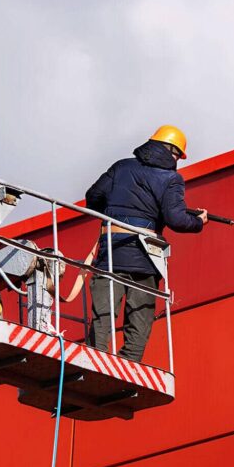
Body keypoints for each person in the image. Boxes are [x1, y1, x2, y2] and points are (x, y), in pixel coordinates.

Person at [83, 125, 207, 361]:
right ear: (172, 151)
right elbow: (176, 220)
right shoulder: (171, 179)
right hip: (145, 258)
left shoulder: (121, 167)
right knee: (140, 315)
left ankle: (94, 359)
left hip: (112, 252)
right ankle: (130, 364)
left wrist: (113, 216)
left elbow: (93, 197)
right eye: (178, 156)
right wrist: (198, 222)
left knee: (103, 312)